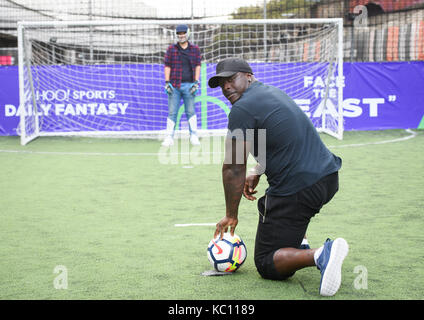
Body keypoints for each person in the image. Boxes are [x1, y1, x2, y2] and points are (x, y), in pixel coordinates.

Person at [208, 57, 349, 297]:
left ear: (248, 76)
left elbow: (232, 167)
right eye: (221, 84)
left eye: (231, 80)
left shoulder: (241, 109)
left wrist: (231, 214)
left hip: (300, 190)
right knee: (283, 206)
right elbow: (276, 137)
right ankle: (299, 242)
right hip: (327, 178)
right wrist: (258, 170)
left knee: (265, 262)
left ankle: (320, 255)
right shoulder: (270, 93)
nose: (226, 88)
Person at [163, 24, 201, 147]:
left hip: (189, 86)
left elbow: (197, 66)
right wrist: (167, 82)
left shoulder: (195, 49)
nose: (181, 35)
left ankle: (194, 135)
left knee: (190, 111)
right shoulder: (171, 49)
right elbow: (167, 66)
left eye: (183, 33)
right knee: (172, 112)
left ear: (188, 33)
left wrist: (196, 82)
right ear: (176, 35)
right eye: (179, 34)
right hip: (174, 86)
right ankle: (169, 137)